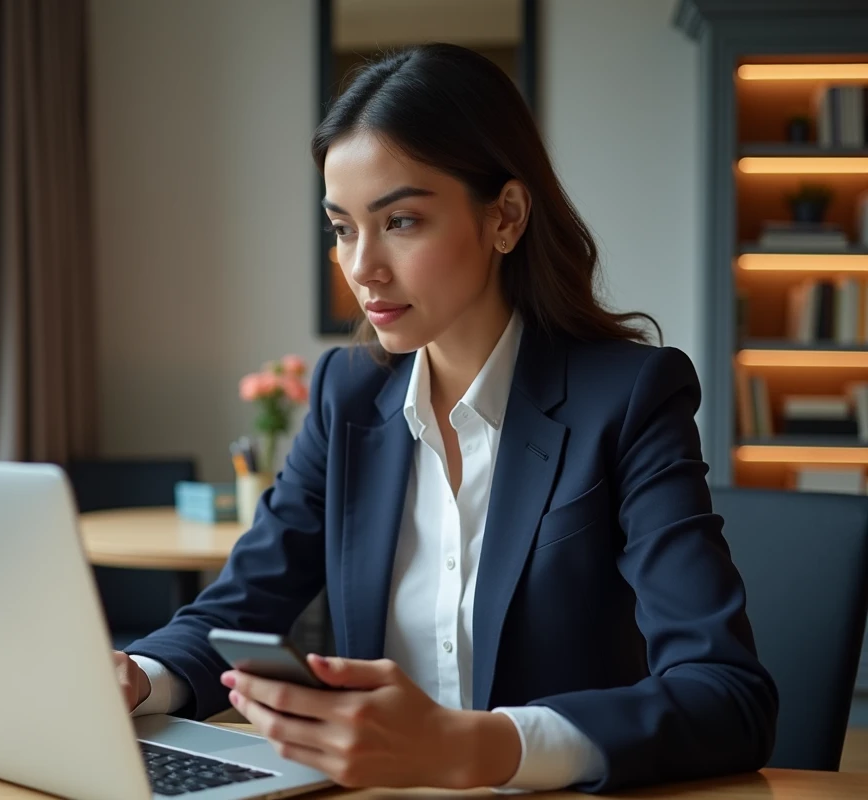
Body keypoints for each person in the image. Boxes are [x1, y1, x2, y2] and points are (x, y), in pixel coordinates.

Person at [111, 43, 777, 793]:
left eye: (400, 221)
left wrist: (475, 747)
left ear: (506, 216)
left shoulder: (629, 399)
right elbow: (241, 605)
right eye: (341, 228)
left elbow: (727, 697)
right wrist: (137, 676)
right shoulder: (348, 395)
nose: (362, 267)